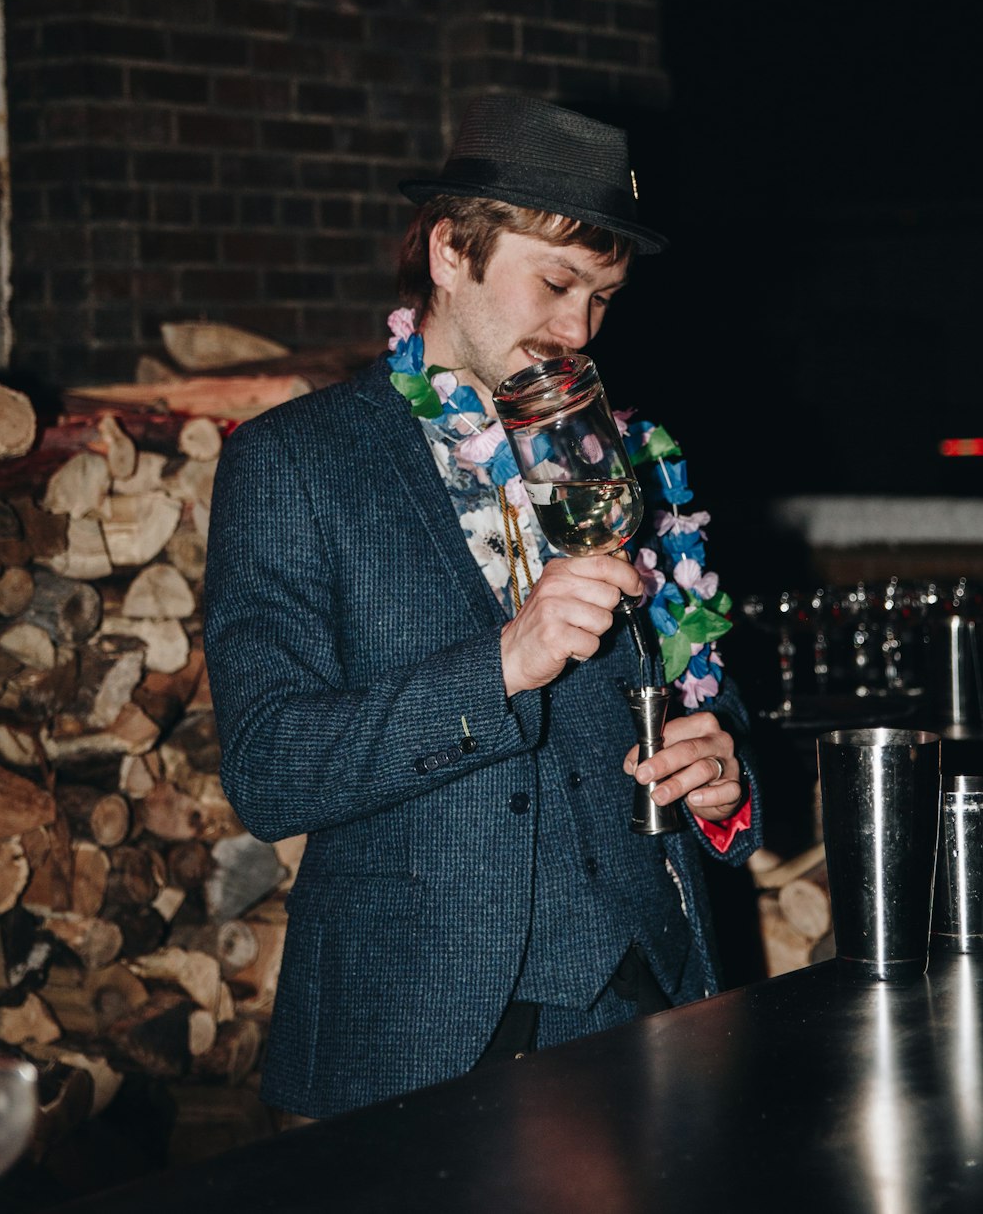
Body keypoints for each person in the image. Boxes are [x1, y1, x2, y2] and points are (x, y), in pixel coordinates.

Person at [203, 94, 761, 1121]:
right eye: (555, 283)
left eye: (602, 298)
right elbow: (270, 771)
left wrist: (721, 784)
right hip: (417, 1036)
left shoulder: (628, 459)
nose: (577, 331)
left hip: (651, 999)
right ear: (450, 251)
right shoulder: (292, 464)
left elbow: (700, 703)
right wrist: (503, 661)